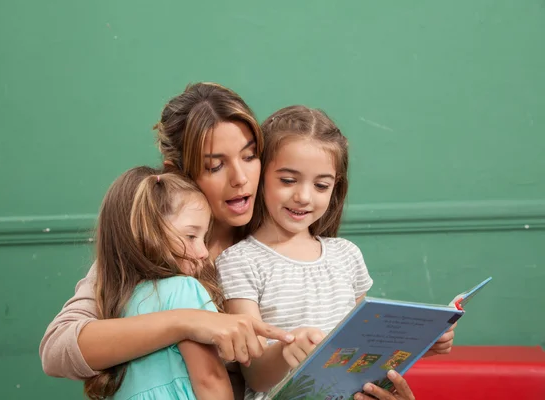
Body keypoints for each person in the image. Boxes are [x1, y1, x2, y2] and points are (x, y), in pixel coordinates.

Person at [39, 83, 454, 400]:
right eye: (215, 165)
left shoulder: (283, 237)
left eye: (250, 155)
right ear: (178, 172)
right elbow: (57, 350)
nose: (240, 178)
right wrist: (189, 320)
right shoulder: (153, 247)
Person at [216, 105, 456, 400]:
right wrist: (285, 351)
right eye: (288, 180)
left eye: (320, 185)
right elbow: (255, 375)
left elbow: (367, 347)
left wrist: (419, 343)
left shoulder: (346, 255)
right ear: (261, 175)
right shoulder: (240, 261)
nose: (303, 196)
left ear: (335, 188)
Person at [83, 168, 232, 399]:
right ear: (148, 232)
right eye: (191, 236)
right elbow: (211, 379)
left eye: (205, 238)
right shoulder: (186, 290)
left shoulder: (117, 300)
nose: (203, 252)